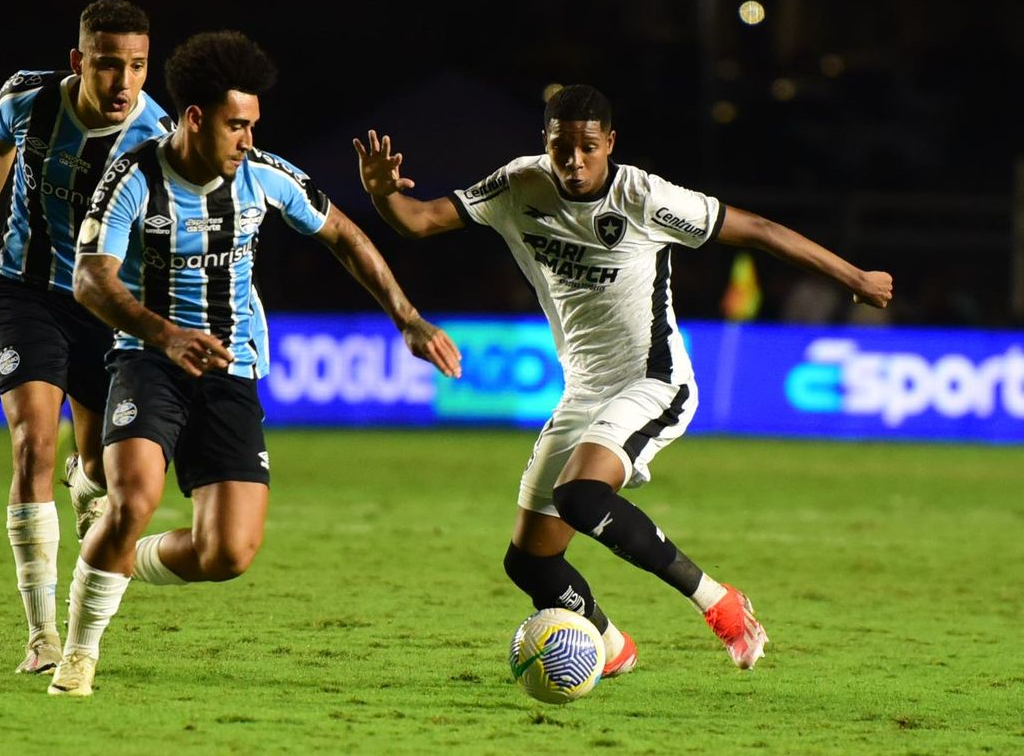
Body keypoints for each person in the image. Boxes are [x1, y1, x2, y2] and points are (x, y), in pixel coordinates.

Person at [353, 84, 894, 674]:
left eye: (588, 147)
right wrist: (381, 195)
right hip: (582, 389)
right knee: (530, 563)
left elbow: (758, 228)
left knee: (581, 496)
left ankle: (720, 603)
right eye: (562, 147)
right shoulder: (519, 184)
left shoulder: (643, 196)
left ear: (609, 143)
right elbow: (420, 219)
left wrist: (855, 276)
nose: (574, 161)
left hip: (653, 380)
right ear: (546, 144)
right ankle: (610, 648)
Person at [48, 30, 463, 696]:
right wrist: (162, 334)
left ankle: (119, 560)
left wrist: (407, 318)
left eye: (252, 126)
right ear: (193, 119)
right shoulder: (131, 179)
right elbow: (91, 281)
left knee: (228, 554)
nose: (246, 139)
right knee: (134, 500)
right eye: (235, 125)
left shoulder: (265, 175)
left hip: (231, 373)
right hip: (147, 363)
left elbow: (345, 237)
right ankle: (77, 655)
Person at [0, 0, 173, 675]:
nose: (123, 82)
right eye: (107, 65)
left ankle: (83, 478)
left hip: (107, 310)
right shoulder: (26, 100)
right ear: (79, 62)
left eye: (136, 66)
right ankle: (41, 637)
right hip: (26, 291)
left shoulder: (154, 136)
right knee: (31, 442)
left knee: (99, 471)